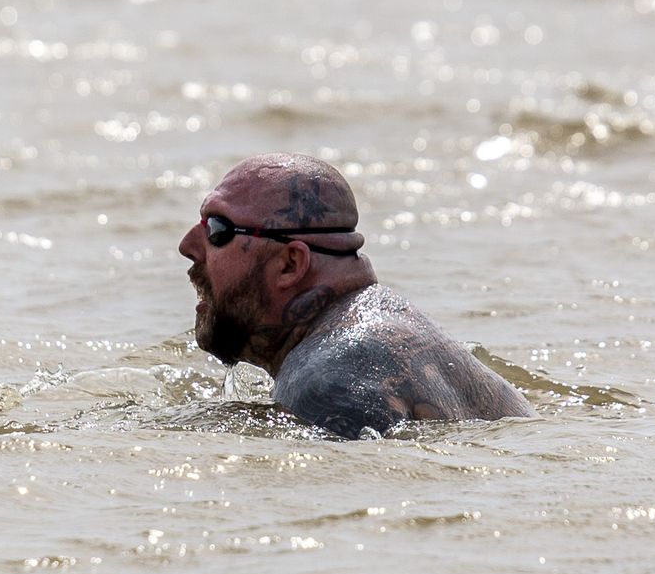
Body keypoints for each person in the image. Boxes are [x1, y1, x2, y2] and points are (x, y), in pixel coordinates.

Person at [177, 154, 532, 437]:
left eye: (217, 229)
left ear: (290, 263)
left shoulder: (327, 382)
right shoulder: (414, 337)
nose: (187, 246)